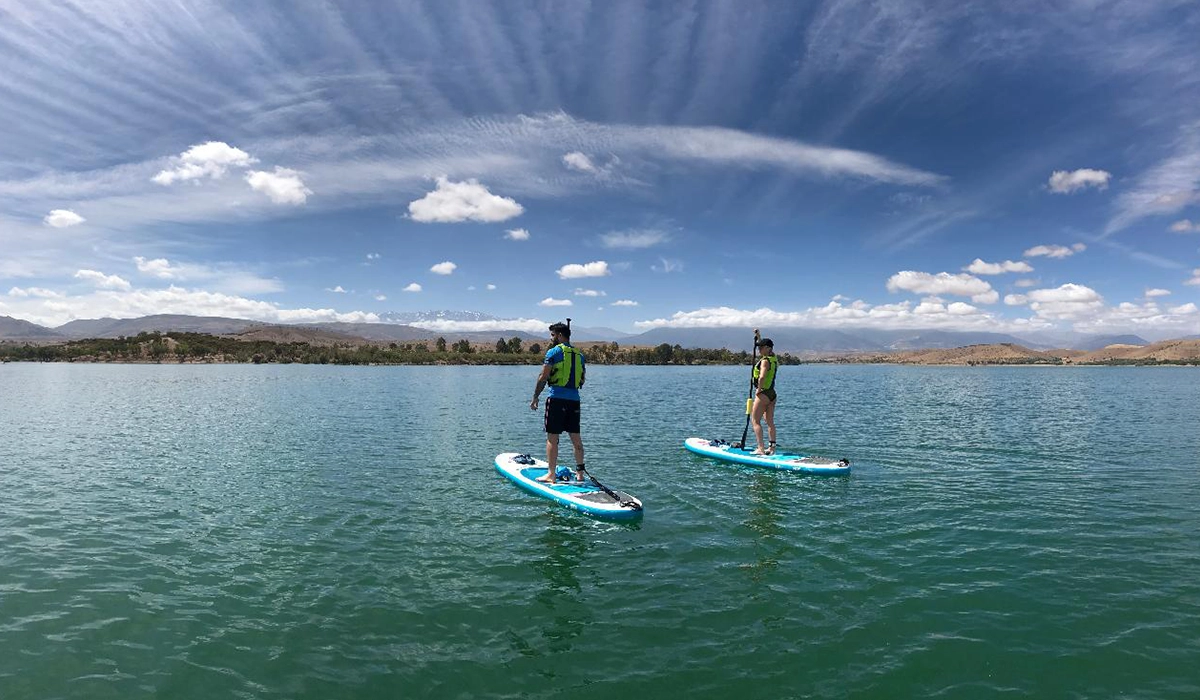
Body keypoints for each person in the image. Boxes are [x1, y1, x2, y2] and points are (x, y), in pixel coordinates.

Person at [529, 321, 586, 484]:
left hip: (556, 399)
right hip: (574, 401)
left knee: (552, 438)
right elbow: (582, 380)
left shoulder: (553, 352)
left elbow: (543, 377)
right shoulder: (580, 355)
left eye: (553, 335)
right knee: (576, 438)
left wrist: (535, 397)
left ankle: (551, 474)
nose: (552, 338)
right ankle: (580, 474)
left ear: (560, 335)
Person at [750, 338, 778, 455]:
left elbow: (761, 377)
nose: (759, 350)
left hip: (764, 394)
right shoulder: (774, 359)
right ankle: (772, 449)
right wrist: (757, 335)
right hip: (772, 393)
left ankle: (760, 449)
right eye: (758, 347)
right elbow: (764, 344)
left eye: (761, 348)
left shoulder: (765, 361)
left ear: (768, 348)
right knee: (769, 422)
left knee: (755, 421)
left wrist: (759, 390)